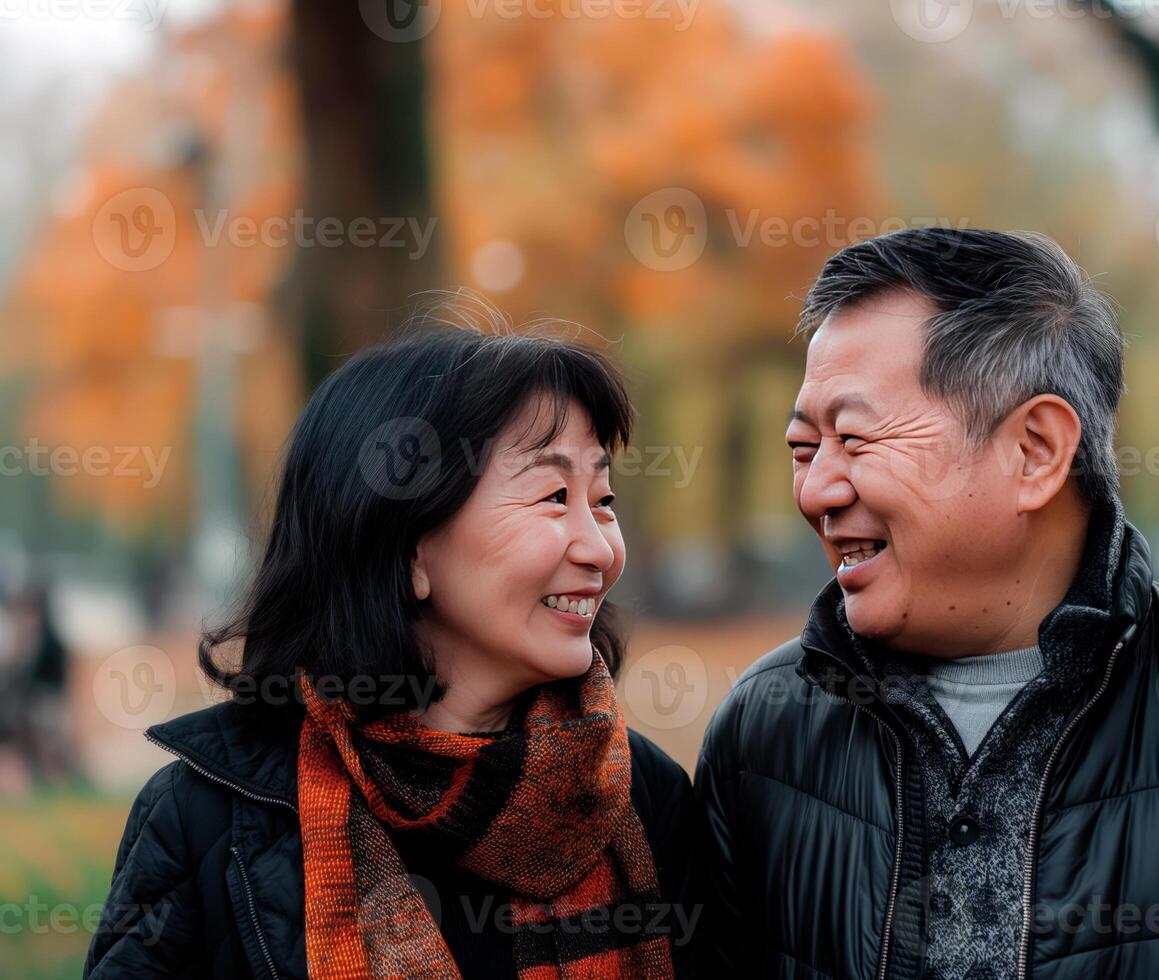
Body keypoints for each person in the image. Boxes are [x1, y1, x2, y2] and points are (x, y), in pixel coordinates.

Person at [694, 227, 1159, 979]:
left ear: (1036, 451)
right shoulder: (764, 734)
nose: (816, 489)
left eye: (855, 440)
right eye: (803, 448)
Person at [86, 316, 706, 978]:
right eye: (554, 496)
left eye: (603, 499)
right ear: (406, 545)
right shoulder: (207, 822)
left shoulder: (641, 798)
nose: (600, 548)